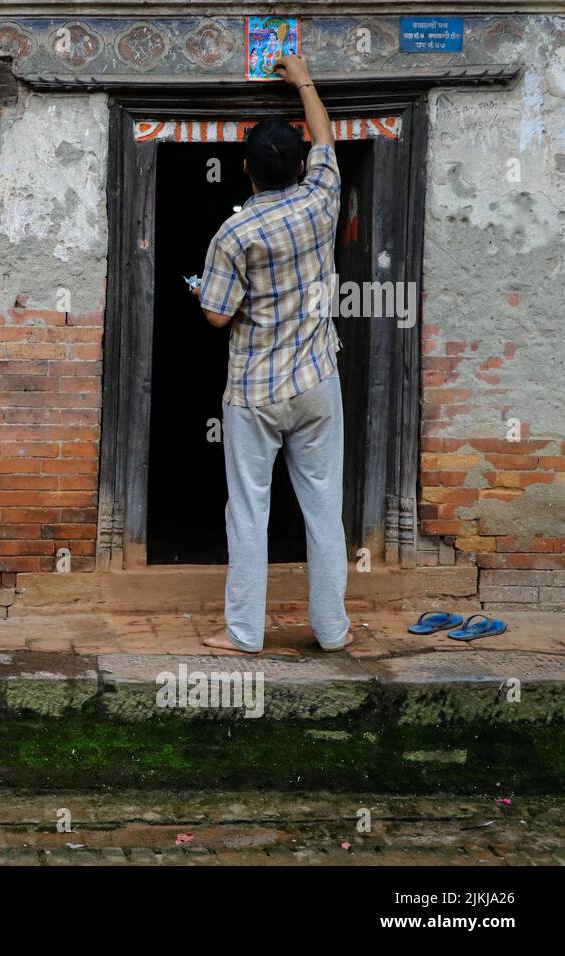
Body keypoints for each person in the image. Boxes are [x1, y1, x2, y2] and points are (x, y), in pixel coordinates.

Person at [193, 54, 353, 655]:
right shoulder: (322, 199)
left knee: (248, 513)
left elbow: (215, 314)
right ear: (300, 164)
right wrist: (304, 77)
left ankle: (244, 633)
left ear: (244, 170)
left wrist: (203, 290)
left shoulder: (234, 234)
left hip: (255, 392)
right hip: (315, 382)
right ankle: (333, 631)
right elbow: (327, 139)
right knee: (323, 508)